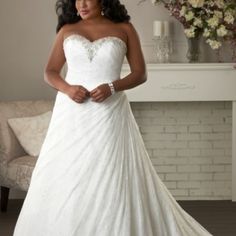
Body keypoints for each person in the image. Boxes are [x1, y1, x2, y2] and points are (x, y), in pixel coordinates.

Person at [13, 0, 214, 235]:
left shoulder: (124, 29)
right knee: (69, 170)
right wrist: (68, 89)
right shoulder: (67, 30)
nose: (82, 4)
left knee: (108, 169)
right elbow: (50, 71)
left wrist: (112, 87)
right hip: (71, 114)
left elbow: (141, 74)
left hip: (109, 113)